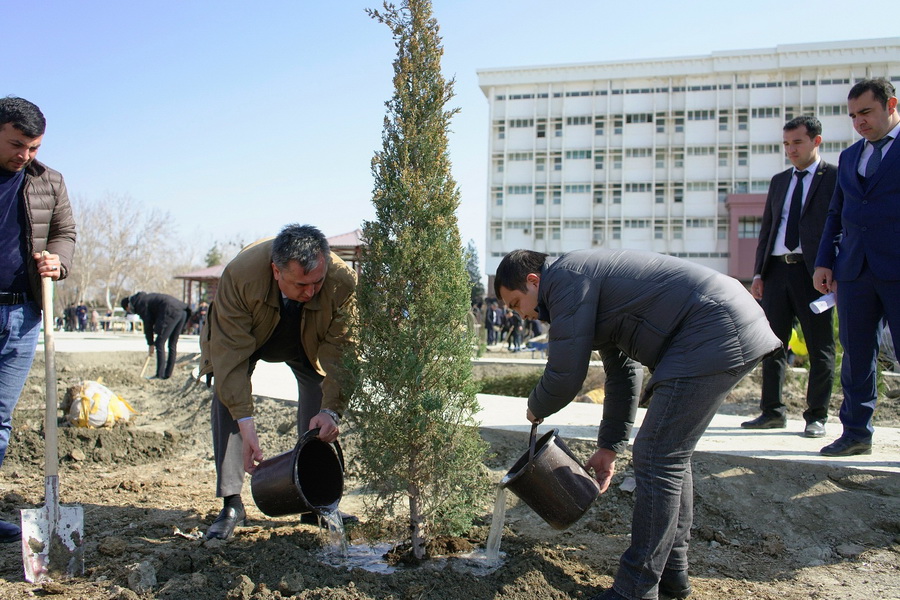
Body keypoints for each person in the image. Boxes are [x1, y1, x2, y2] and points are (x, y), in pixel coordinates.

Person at [495, 249, 779, 600]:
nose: (520, 315)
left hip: (712, 327)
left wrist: (535, 407)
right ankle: (673, 574)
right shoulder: (581, 284)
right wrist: (609, 445)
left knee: (658, 455)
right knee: (669, 454)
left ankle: (635, 588)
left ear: (533, 281)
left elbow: (566, 374)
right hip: (718, 323)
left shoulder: (566, 278)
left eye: (516, 303)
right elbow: (624, 371)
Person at [200, 224, 357, 540]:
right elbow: (229, 357)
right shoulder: (240, 276)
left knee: (320, 393)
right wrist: (246, 421)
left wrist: (332, 411)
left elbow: (343, 351)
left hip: (308, 339)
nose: (310, 292)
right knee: (227, 395)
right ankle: (231, 503)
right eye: (301, 284)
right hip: (251, 337)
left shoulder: (341, 281)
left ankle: (314, 502)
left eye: (317, 283)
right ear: (276, 271)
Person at [0, 96, 76, 543]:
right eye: (16, 145)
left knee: (0, 419)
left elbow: (64, 232)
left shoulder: (48, 181)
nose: (25, 156)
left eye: (33, 147)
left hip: (23, 314)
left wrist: (57, 262)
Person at [813, 77, 900, 457]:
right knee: (856, 355)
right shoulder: (849, 157)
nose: (859, 121)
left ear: (891, 104)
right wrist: (823, 262)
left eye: (866, 112)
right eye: (852, 115)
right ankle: (855, 433)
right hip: (853, 272)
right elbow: (837, 214)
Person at [743, 116, 837, 437]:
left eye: (797, 142)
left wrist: (833, 269)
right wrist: (759, 273)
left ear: (816, 141)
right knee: (772, 345)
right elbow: (767, 230)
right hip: (776, 271)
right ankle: (772, 412)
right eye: (786, 144)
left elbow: (839, 228)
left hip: (815, 274)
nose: (791, 150)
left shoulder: (834, 178)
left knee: (819, 345)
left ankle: (816, 417)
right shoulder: (779, 181)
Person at [121, 292, 191, 380]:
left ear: (128, 306)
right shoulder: (145, 299)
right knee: (172, 344)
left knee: (159, 343)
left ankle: (160, 374)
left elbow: (148, 324)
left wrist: (150, 344)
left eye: (128, 310)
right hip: (182, 311)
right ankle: (167, 374)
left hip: (170, 311)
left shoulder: (141, 304)